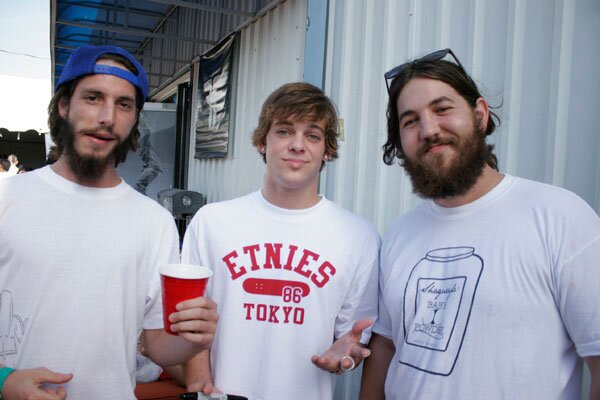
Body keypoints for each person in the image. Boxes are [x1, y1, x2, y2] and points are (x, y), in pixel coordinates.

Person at [359, 49, 600, 399]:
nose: (428, 130)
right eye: (410, 121)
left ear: (480, 114)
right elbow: (386, 345)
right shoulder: (400, 233)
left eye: (442, 109)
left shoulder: (559, 216)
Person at [0, 45, 218, 400]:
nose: (107, 117)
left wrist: (194, 337)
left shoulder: (155, 222)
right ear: (63, 105)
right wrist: (4, 381)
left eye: (124, 104)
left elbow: (159, 348)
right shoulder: (7, 200)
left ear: (134, 120)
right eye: (92, 97)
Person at [178, 82, 380, 400]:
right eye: (284, 131)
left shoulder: (359, 237)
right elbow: (189, 322)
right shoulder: (212, 222)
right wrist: (201, 386)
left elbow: (351, 341)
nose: (297, 145)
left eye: (312, 135)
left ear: (327, 149)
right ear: (262, 141)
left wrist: (346, 357)